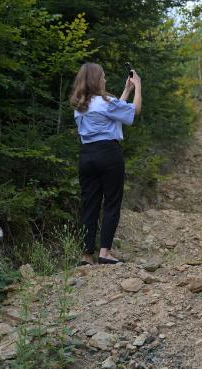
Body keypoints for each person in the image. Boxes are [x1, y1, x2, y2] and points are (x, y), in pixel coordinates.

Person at [69, 62, 142, 264]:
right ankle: (105, 253)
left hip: (86, 156)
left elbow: (115, 112)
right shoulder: (106, 101)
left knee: (89, 204)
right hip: (108, 154)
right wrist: (138, 86)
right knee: (111, 202)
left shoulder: (79, 105)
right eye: (102, 76)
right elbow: (133, 112)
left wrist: (126, 90)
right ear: (95, 79)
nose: (105, 79)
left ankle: (86, 254)